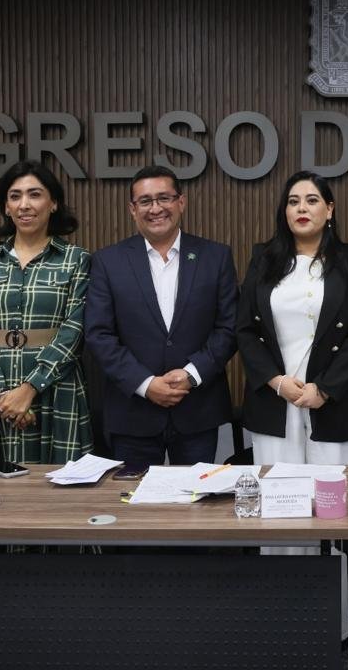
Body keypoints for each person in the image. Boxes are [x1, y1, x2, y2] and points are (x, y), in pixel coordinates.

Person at [85, 165, 238, 466]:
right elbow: (99, 334)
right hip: (132, 413)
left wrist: (191, 375)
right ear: (132, 209)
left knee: (197, 504)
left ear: (181, 202)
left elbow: (229, 327)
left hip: (197, 409)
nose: (155, 208)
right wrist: (144, 383)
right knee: (135, 507)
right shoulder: (107, 261)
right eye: (145, 201)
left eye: (164, 198)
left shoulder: (215, 256)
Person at [236, 170, 348, 466]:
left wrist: (325, 389)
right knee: (279, 496)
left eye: (312, 200)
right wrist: (276, 382)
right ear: (284, 212)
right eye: (293, 202)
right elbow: (245, 329)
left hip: (335, 400)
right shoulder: (263, 259)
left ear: (329, 209)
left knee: (332, 501)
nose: (301, 208)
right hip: (275, 399)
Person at [0, 160, 92, 466]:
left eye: (35, 194)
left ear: (54, 203)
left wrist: (30, 389)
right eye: (15, 196)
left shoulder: (76, 259)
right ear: (6, 207)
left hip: (56, 386)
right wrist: (0, 394)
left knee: (59, 491)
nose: (24, 205)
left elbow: (75, 329)